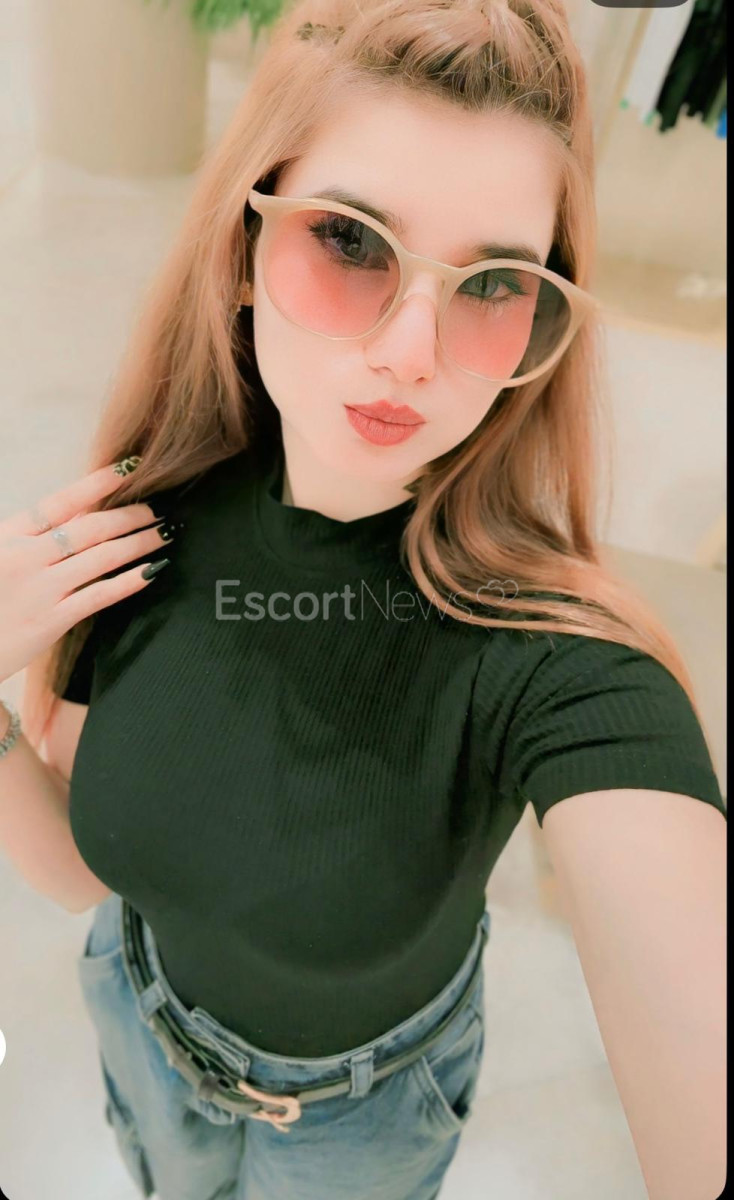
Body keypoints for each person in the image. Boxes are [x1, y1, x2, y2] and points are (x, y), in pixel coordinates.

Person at [0, 1, 726, 1198]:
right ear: (241, 247)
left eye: (493, 281)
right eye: (349, 240)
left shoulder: (550, 660)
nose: (410, 350)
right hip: (139, 1021)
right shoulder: (137, 520)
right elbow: (83, 870)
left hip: (366, 1120)